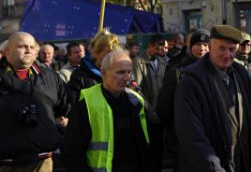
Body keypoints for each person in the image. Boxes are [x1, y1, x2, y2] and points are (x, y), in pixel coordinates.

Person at [174, 25, 251, 172]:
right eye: (222, 48)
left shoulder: (240, 73)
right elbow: (191, 134)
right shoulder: (191, 81)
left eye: (232, 49)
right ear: (210, 47)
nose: (227, 54)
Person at [62, 50, 152, 171]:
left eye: (129, 72)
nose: (126, 78)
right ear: (103, 73)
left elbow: (145, 144)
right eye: (120, 72)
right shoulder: (86, 103)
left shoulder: (136, 101)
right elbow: (72, 152)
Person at [0, 32, 69, 171]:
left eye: (32, 47)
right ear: (7, 51)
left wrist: (55, 134)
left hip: (43, 161)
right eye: (22, 46)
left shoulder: (51, 77)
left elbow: (66, 110)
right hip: (5, 163)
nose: (28, 50)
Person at [156, 29, 210, 171]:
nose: (202, 49)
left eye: (206, 44)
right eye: (198, 44)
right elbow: (163, 108)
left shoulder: (216, 71)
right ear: (189, 46)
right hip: (182, 141)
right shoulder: (177, 72)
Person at [132, 34, 168, 172]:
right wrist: (149, 109)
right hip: (147, 113)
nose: (162, 51)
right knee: (150, 148)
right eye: (159, 48)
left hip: (162, 111)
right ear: (151, 46)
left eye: (163, 48)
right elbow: (137, 88)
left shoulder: (164, 62)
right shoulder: (138, 61)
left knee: (160, 149)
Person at [68, 29, 122, 104]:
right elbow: (72, 104)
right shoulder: (80, 75)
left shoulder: (122, 72)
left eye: (113, 53)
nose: (110, 58)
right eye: (107, 53)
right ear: (96, 51)